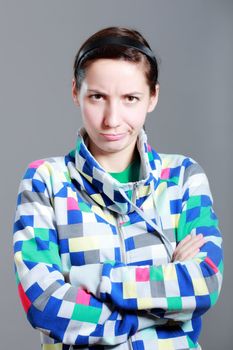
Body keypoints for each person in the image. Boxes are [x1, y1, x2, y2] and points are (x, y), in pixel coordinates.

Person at [13, 26, 223, 350]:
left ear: (152, 97)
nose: (112, 119)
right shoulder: (44, 181)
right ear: (75, 92)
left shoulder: (183, 178)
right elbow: (42, 302)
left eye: (130, 99)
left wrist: (93, 280)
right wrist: (158, 305)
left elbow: (205, 282)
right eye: (98, 97)